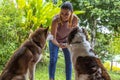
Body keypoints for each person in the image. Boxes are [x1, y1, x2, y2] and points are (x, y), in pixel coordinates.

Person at [49, 1, 79, 80]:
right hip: (54, 40)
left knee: (69, 61)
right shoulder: (55, 20)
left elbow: (73, 35)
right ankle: (51, 78)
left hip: (66, 40)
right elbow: (53, 38)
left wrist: (68, 44)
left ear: (71, 13)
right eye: (62, 13)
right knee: (53, 59)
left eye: (66, 14)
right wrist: (58, 45)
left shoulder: (75, 19)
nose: (64, 16)